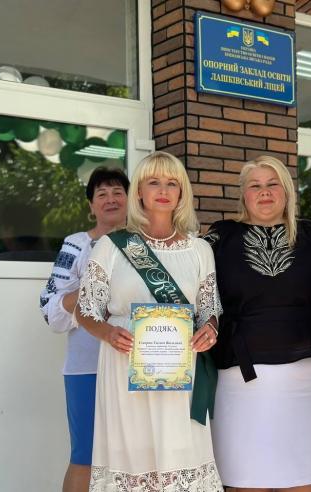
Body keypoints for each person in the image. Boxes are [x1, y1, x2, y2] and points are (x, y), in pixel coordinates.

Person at [76, 151, 223, 491]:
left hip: (180, 369)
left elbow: (208, 309)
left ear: (182, 191)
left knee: (178, 456)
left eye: (172, 183)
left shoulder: (200, 250)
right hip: (125, 365)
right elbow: (85, 309)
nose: (163, 190)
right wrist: (107, 332)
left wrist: (210, 330)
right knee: (133, 459)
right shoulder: (112, 246)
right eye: (154, 182)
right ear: (139, 192)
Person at [204, 155, 311, 491]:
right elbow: (196, 291)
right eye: (255, 186)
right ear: (244, 195)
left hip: (305, 375)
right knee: (246, 479)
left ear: (287, 191)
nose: (264, 192)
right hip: (240, 377)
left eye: (272, 184)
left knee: (300, 478)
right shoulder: (221, 236)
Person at [39, 166, 129, 492]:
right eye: (101, 194)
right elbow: (51, 310)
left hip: (137, 365)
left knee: (133, 456)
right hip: (87, 368)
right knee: (85, 457)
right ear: (91, 205)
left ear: (131, 200)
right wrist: (92, 285)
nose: (110, 199)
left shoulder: (146, 244)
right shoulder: (76, 245)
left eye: (118, 192)